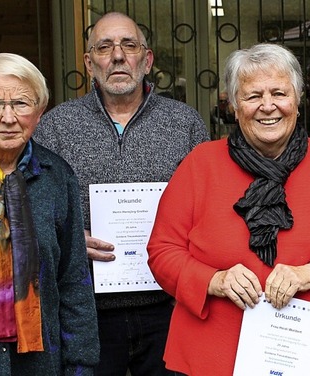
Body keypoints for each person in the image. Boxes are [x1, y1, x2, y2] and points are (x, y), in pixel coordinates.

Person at [146, 43, 310, 375]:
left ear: (298, 101)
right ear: (233, 106)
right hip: (213, 357)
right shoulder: (200, 165)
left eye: (279, 93)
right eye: (252, 96)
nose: (268, 106)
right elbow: (162, 250)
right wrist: (214, 280)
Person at [33, 12, 210, 376]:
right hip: (86, 308)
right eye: (104, 47)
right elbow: (34, 209)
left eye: (129, 46)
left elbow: (208, 207)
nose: (117, 56)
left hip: (169, 306)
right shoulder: (55, 126)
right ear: (88, 62)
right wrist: (66, 240)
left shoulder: (185, 123)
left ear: (146, 60)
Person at [0, 53, 99, 374]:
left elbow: (73, 282)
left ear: (40, 112)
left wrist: (80, 366)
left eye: (22, 103)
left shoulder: (56, 176)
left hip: (39, 364)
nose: (9, 117)